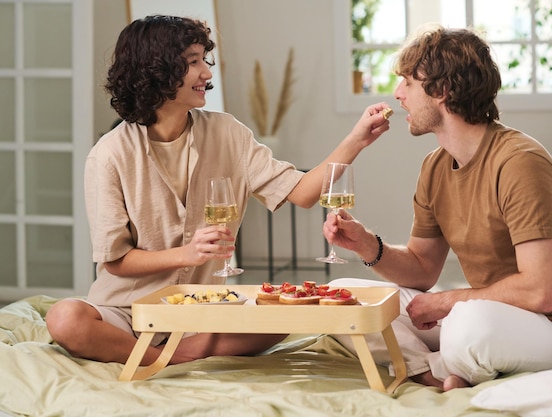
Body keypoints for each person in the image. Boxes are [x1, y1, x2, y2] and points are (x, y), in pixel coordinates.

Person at [45, 15, 391, 366]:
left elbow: (302, 193)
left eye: (202, 61)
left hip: (203, 310)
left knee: (285, 316)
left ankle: (160, 356)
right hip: (128, 313)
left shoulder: (228, 133)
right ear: (157, 70)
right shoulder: (109, 155)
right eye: (193, 62)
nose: (206, 74)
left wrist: (357, 138)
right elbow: (116, 260)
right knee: (65, 319)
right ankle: (175, 357)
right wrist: (187, 254)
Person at [323, 24, 552, 391]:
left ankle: (432, 366)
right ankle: (435, 371)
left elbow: (541, 292)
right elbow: (423, 269)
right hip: (491, 316)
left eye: (407, 82)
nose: (397, 95)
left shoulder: (520, 162)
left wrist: (446, 303)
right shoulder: (435, 166)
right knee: (343, 297)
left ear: (441, 90)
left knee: (468, 324)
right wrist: (366, 245)